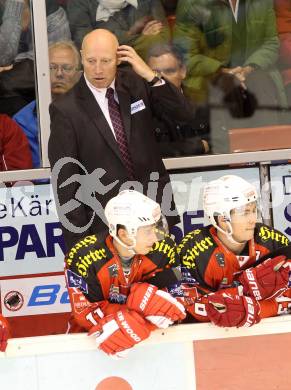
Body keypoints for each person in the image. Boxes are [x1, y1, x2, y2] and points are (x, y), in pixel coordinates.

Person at [48, 28, 192, 253]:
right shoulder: (65, 109)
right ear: (81, 57)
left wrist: (151, 76)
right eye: (90, 61)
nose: (97, 69)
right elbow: (66, 184)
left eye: (105, 61)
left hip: (155, 213)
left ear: (119, 57)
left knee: (165, 285)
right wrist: (80, 247)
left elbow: (183, 116)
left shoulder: (137, 84)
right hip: (105, 228)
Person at [65, 190, 185, 357]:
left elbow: (173, 305)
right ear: (124, 234)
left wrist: (140, 322)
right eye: (148, 231)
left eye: (156, 228)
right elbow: (85, 315)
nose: (155, 238)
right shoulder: (84, 256)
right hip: (91, 345)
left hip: (154, 344)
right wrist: (138, 307)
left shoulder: (164, 249)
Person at [174, 0, 288, 153]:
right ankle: (232, 160)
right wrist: (223, 70)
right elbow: (186, 55)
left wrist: (247, 69)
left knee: (260, 84)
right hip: (208, 76)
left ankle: (269, 157)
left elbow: (271, 42)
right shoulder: (192, 3)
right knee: (228, 87)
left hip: (253, 72)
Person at [177, 175, 291, 328]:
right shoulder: (192, 250)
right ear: (222, 219)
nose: (253, 219)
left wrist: (256, 309)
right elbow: (192, 307)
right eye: (245, 213)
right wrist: (244, 289)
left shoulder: (273, 241)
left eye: (253, 210)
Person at [14, 40, 81, 168]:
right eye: (52, 67)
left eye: (66, 68)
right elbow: (32, 173)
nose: (59, 74)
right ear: (41, 73)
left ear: (79, 75)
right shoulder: (22, 121)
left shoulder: (94, 112)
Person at [146, 43, 210, 157]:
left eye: (169, 71)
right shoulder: (141, 108)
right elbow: (142, 151)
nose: (162, 79)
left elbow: (220, 141)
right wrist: (193, 147)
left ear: (183, 71)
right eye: (155, 73)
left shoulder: (202, 101)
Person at [66, 0, 170, 58]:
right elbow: (85, 43)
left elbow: (163, 32)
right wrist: (133, 34)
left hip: (149, 62)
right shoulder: (78, 3)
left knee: (161, 47)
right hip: (105, 63)